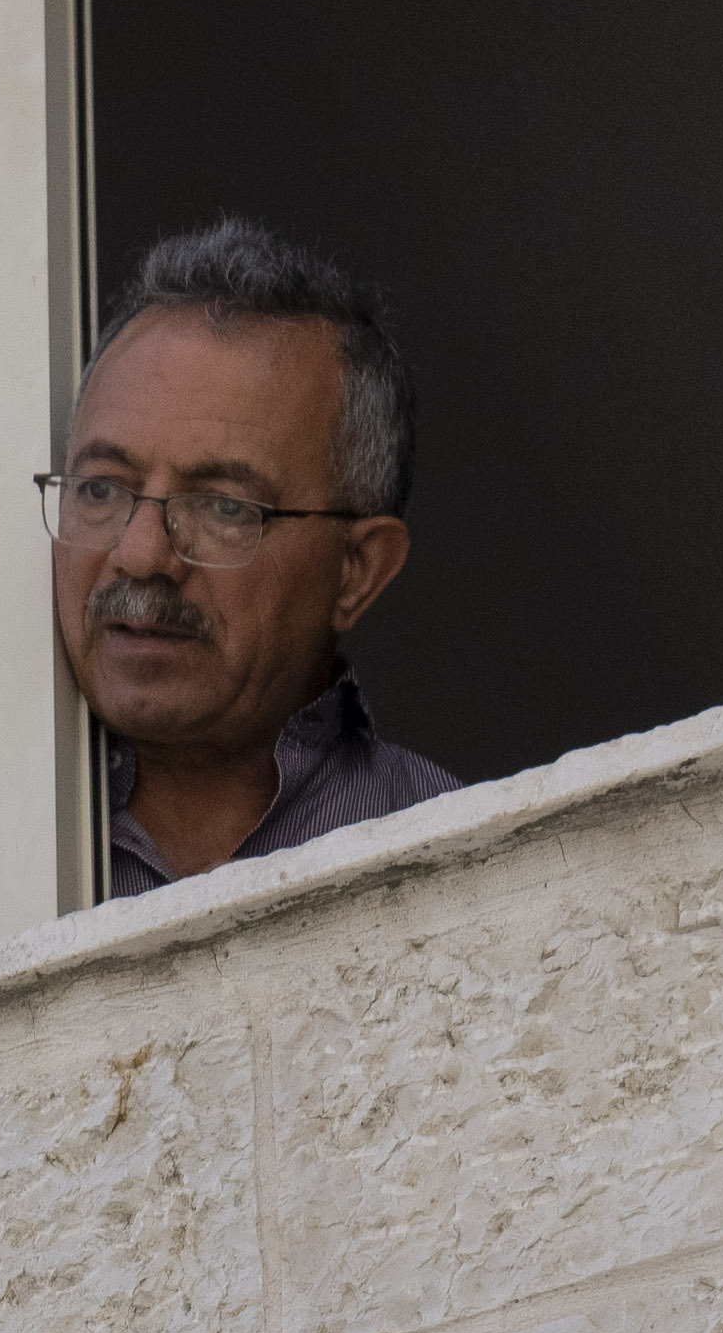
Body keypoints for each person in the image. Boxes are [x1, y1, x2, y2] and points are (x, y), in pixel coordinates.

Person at [44, 220, 441, 889]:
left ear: (357, 571)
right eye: (101, 489)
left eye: (224, 507)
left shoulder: (460, 864)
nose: (140, 556)